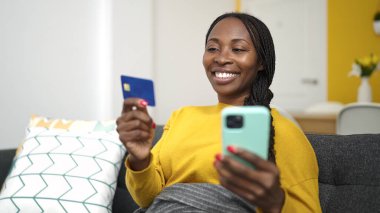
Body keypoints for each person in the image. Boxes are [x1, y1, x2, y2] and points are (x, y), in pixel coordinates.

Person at [116, 12, 321, 213]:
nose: (221, 58)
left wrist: (274, 204)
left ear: (261, 62)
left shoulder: (282, 130)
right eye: (212, 48)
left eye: (238, 49)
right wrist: (140, 159)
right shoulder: (182, 117)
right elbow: (147, 199)